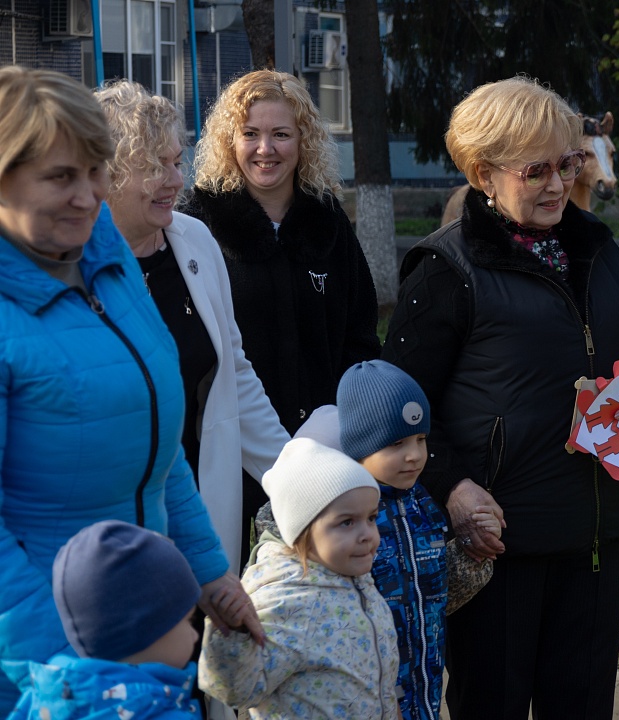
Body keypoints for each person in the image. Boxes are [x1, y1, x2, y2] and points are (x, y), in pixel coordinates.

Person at [382, 75, 619, 719]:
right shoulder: (446, 269)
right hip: (497, 540)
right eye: (536, 170)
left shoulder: (597, 247)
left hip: (597, 529)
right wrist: (453, 489)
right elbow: (402, 404)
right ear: (484, 172)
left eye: (567, 164)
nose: (559, 185)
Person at [0, 65, 261, 715]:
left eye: (95, 171)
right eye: (61, 176)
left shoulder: (107, 260)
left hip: (141, 635)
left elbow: (159, 442)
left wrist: (209, 576)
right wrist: (66, 662)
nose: (88, 197)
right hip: (50, 671)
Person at [183, 69, 380, 569]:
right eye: (250, 134)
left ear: (304, 141)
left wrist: (344, 430)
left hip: (326, 455)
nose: (264, 149)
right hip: (228, 459)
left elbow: (360, 338)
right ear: (230, 141)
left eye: (280, 134)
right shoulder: (197, 226)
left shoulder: (328, 222)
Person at [95, 79, 291, 568]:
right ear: (107, 174)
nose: (176, 181)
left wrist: (298, 479)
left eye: (177, 161)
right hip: (108, 527)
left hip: (196, 510)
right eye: (153, 166)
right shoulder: (71, 265)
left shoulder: (195, 241)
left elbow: (234, 375)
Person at [337, 360, 498, 720]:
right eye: (396, 443)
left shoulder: (422, 504)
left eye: (421, 439)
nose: (414, 455)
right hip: (364, 701)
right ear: (360, 445)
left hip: (423, 695)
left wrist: (474, 551)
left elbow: (437, 593)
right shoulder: (340, 520)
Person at [198, 437, 400, 719]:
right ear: (302, 531)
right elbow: (237, 691)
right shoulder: (285, 600)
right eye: (347, 522)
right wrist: (233, 633)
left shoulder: (357, 582)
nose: (368, 533)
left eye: (371, 517)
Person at [10, 521, 204, 719]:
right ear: (143, 631)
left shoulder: (40, 699)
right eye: (189, 620)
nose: (195, 635)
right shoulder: (158, 713)